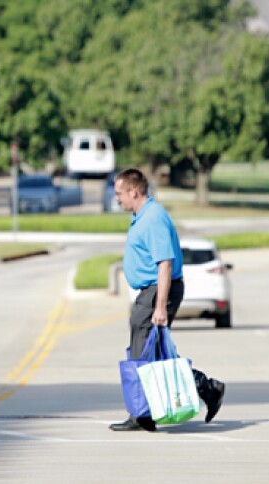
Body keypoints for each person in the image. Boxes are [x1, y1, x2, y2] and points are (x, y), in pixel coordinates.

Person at [109, 168, 225, 432]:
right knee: (153, 353)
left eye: (119, 193)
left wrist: (160, 305)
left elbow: (165, 263)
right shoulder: (143, 216)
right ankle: (205, 389)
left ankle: (141, 415)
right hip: (151, 291)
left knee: (143, 353)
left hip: (157, 291)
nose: (117, 198)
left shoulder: (153, 218)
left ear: (133, 192)